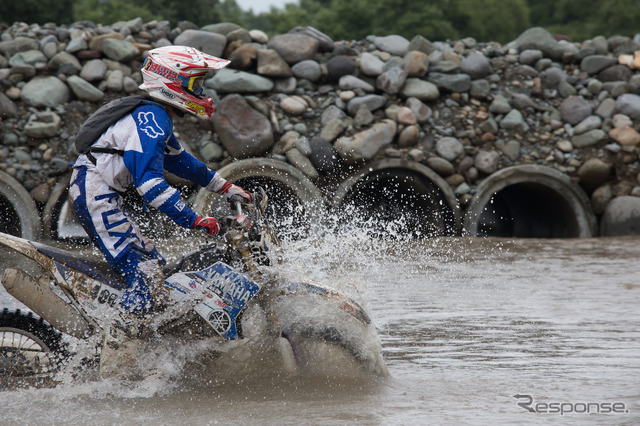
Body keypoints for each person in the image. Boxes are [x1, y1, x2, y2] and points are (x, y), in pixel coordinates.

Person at [68, 46, 252, 317]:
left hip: (100, 191)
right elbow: (149, 185)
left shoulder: (154, 116)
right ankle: (121, 340)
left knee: (155, 265)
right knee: (145, 274)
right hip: (95, 194)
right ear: (172, 82)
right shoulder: (152, 118)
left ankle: (138, 323)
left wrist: (225, 187)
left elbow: (181, 161)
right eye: (195, 84)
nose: (200, 92)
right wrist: (193, 220)